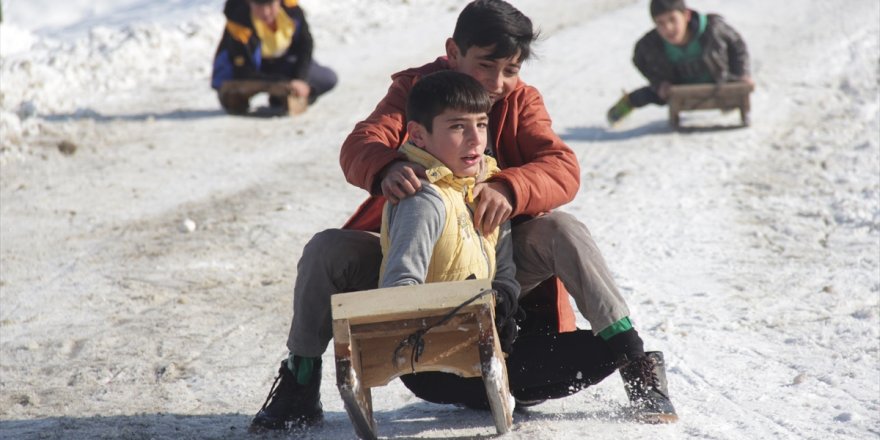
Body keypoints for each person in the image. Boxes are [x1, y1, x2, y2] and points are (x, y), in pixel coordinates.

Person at [248, 0, 677, 433]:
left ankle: (632, 358)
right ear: (453, 52)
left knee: (563, 229)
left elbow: (562, 167)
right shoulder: (418, 90)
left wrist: (511, 187)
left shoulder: (520, 100)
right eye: (486, 65)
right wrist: (387, 166)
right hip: (418, 261)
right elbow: (362, 142)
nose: (497, 83)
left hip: (491, 266)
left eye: (511, 69)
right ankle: (299, 383)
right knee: (327, 248)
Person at [606, 0, 752, 125]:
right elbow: (639, 60)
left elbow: (737, 46)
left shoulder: (712, 28)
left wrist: (741, 73)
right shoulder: (649, 44)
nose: (668, 28)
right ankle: (629, 102)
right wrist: (659, 83)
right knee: (651, 94)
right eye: (660, 23)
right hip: (678, 85)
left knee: (735, 92)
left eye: (672, 19)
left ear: (686, 15)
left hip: (717, 79)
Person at [210, 0, 337, 115]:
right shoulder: (238, 24)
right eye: (259, 6)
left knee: (328, 79)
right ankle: (280, 93)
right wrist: (285, 82)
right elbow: (244, 71)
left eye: (271, 5)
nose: (266, 12)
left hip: (283, 64)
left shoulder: (291, 10)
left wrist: (300, 79)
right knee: (232, 98)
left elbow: (305, 45)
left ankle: (280, 98)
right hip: (248, 73)